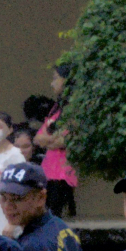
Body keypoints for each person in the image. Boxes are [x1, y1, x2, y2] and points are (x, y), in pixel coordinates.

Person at [37, 65, 79, 218]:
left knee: (55, 217)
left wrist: (51, 139)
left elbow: (64, 140)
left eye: (55, 78)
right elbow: (38, 138)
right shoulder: (56, 108)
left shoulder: (74, 108)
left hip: (63, 173)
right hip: (48, 171)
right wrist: (52, 139)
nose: (52, 83)